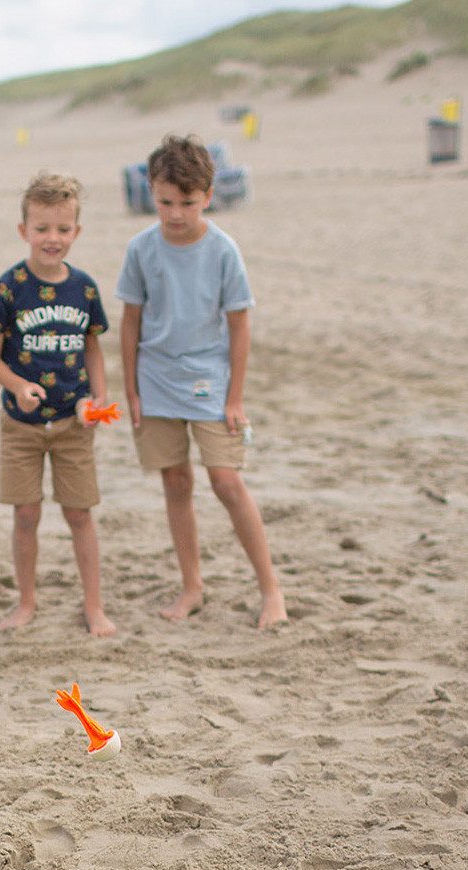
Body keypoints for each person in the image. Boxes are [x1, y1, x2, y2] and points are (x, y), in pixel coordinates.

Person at [117, 134, 287, 629]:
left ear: (208, 196)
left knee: (227, 481)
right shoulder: (141, 249)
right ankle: (192, 585)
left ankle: (271, 589)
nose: (174, 214)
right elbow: (130, 320)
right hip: (155, 380)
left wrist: (235, 398)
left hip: (209, 382)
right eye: (165, 202)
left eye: (186, 204)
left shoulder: (223, 251)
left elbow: (239, 324)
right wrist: (130, 389)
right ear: (152, 192)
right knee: (175, 481)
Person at [0, 173, 116, 637]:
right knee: (26, 513)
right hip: (21, 425)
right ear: (24, 231)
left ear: (76, 231)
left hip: (74, 424)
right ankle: (26, 602)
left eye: (62, 229)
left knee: (80, 513)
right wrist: (18, 385)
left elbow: (93, 347)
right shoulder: (6, 289)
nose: (52, 239)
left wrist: (98, 398)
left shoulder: (86, 290)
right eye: (42, 229)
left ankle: (94, 606)